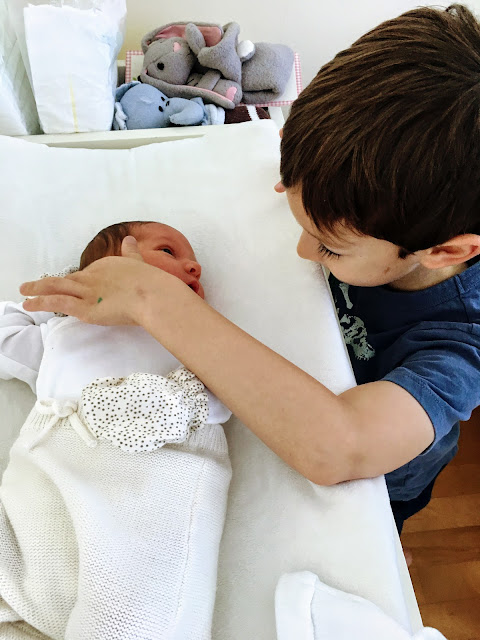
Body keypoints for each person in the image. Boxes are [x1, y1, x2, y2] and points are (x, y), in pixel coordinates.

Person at [20, 4, 480, 539]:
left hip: (390, 478)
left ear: (443, 252)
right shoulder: (372, 197)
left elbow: (343, 448)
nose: (305, 251)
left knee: (384, 526)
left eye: (331, 248)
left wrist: (155, 299)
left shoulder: (462, 337)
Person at [0, 221, 231, 639]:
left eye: (191, 258)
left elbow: (228, 390)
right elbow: (5, 339)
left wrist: (169, 402)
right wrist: (62, 293)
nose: (194, 266)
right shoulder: (63, 334)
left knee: (137, 610)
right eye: (168, 251)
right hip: (48, 474)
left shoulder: (193, 333)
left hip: (147, 480)